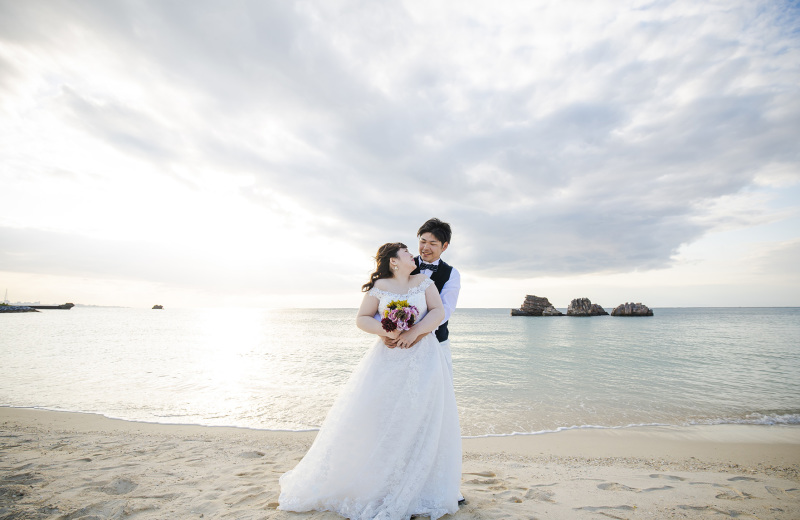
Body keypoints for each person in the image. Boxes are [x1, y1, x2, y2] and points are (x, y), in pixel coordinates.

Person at [278, 242, 462, 520]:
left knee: (422, 417)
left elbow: (438, 312)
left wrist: (416, 333)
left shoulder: (424, 281)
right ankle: (380, 481)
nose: (412, 254)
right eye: (405, 252)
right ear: (393, 261)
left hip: (424, 357)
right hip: (388, 359)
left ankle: (419, 483)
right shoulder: (380, 288)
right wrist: (385, 330)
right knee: (384, 418)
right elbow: (362, 318)